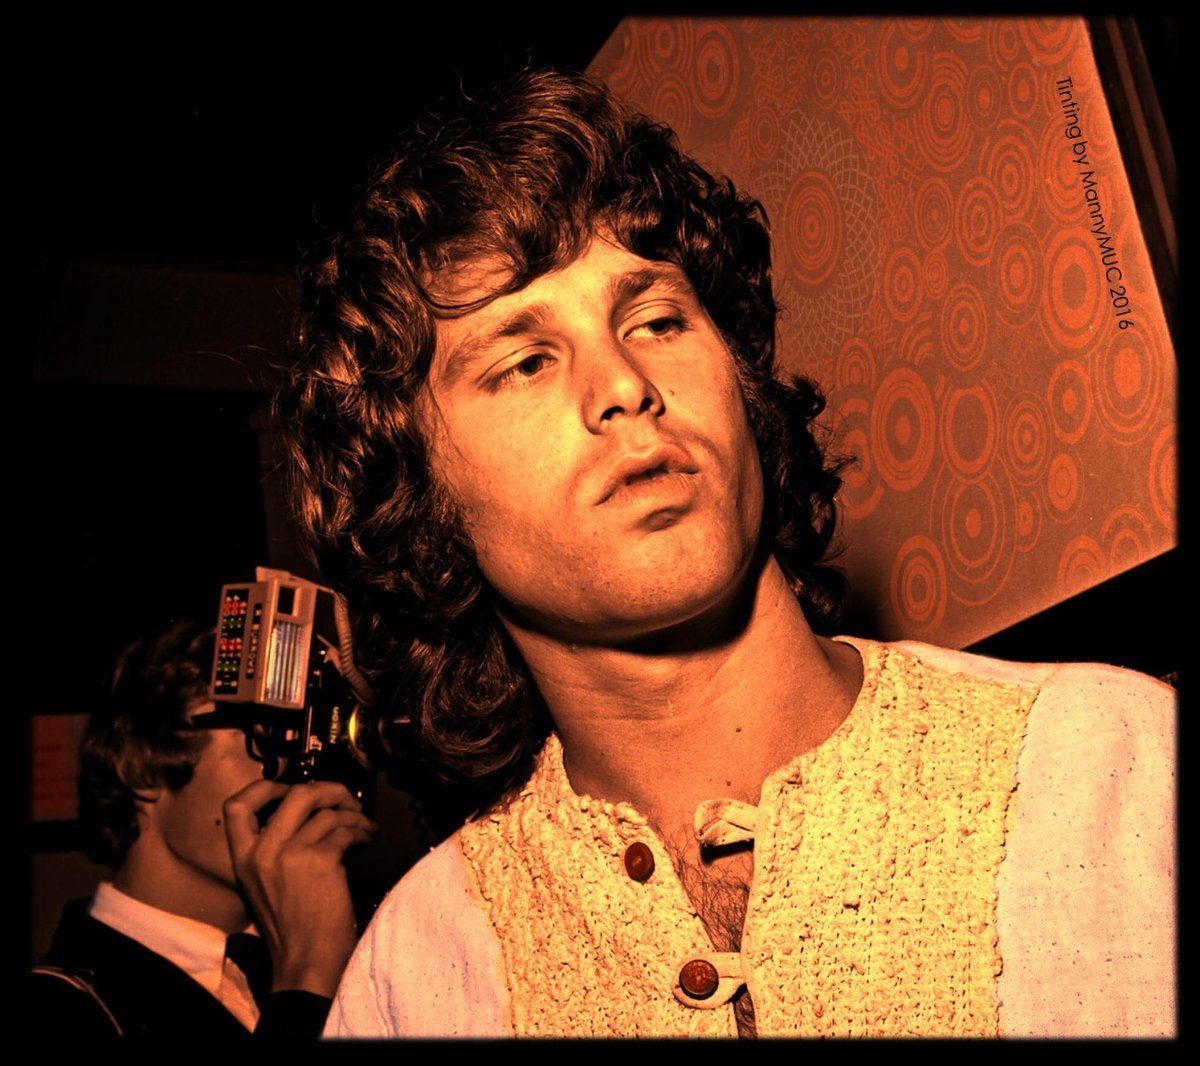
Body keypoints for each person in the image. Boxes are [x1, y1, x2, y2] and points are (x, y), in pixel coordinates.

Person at [277, 70, 1175, 1038]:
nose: (625, 383)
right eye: (526, 360)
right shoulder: (411, 980)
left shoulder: (1120, 767)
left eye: (657, 320)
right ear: (419, 503)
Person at [28, 620, 377, 1039]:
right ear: (142, 767)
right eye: (266, 736)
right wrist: (307, 976)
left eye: (304, 738)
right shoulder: (61, 1008)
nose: (298, 774)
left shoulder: (350, 942)